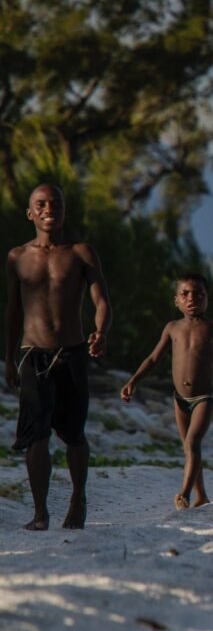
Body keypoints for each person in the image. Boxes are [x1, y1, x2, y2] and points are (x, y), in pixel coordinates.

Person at [5, 183, 112, 530]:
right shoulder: (17, 257)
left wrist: (101, 331)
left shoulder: (82, 253)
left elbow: (102, 302)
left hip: (72, 353)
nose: (49, 208)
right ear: (30, 212)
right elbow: (13, 312)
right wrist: (9, 358)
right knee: (37, 434)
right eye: (41, 204)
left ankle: (78, 498)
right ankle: (40, 512)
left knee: (74, 433)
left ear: (64, 210)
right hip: (32, 354)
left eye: (56, 203)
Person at [120, 273, 213, 509]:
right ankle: (202, 496)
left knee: (193, 443)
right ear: (176, 300)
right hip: (180, 399)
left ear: (208, 298)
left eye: (199, 294)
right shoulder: (172, 328)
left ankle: (184, 494)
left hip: (203, 398)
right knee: (188, 448)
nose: (192, 298)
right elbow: (153, 358)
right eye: (185, 294)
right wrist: (133, 381)